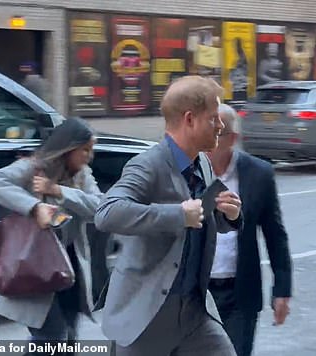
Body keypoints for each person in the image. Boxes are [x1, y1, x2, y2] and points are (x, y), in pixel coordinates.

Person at [94, 75, 243, 356]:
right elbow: (106, 213)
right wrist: (176, 214)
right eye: (213, 118)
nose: (221, 126)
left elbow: (200, 218)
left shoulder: (202, 161)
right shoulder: (147, 165)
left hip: (195, 315)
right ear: (190, 119)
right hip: (146, 315)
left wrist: (229, 215)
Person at [0, 117, 102, 349]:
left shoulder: (83, 175)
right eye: (84, 150)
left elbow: (99, 207)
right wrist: (34, 207)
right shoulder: (34, 168)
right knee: (52, 337)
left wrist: (58, 191)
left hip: (68, 267)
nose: (89, 156)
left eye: (91, 150)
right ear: (68, 148)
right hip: (34, 264)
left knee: (69, 338)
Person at [206, 104, 293, 356]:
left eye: (217, 132)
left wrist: (282, 289)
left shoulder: (259, 173)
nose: (208, 138)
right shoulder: (189, 170)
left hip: (239, 292)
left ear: (232, 138)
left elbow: (275, 234)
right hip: (197, 291)